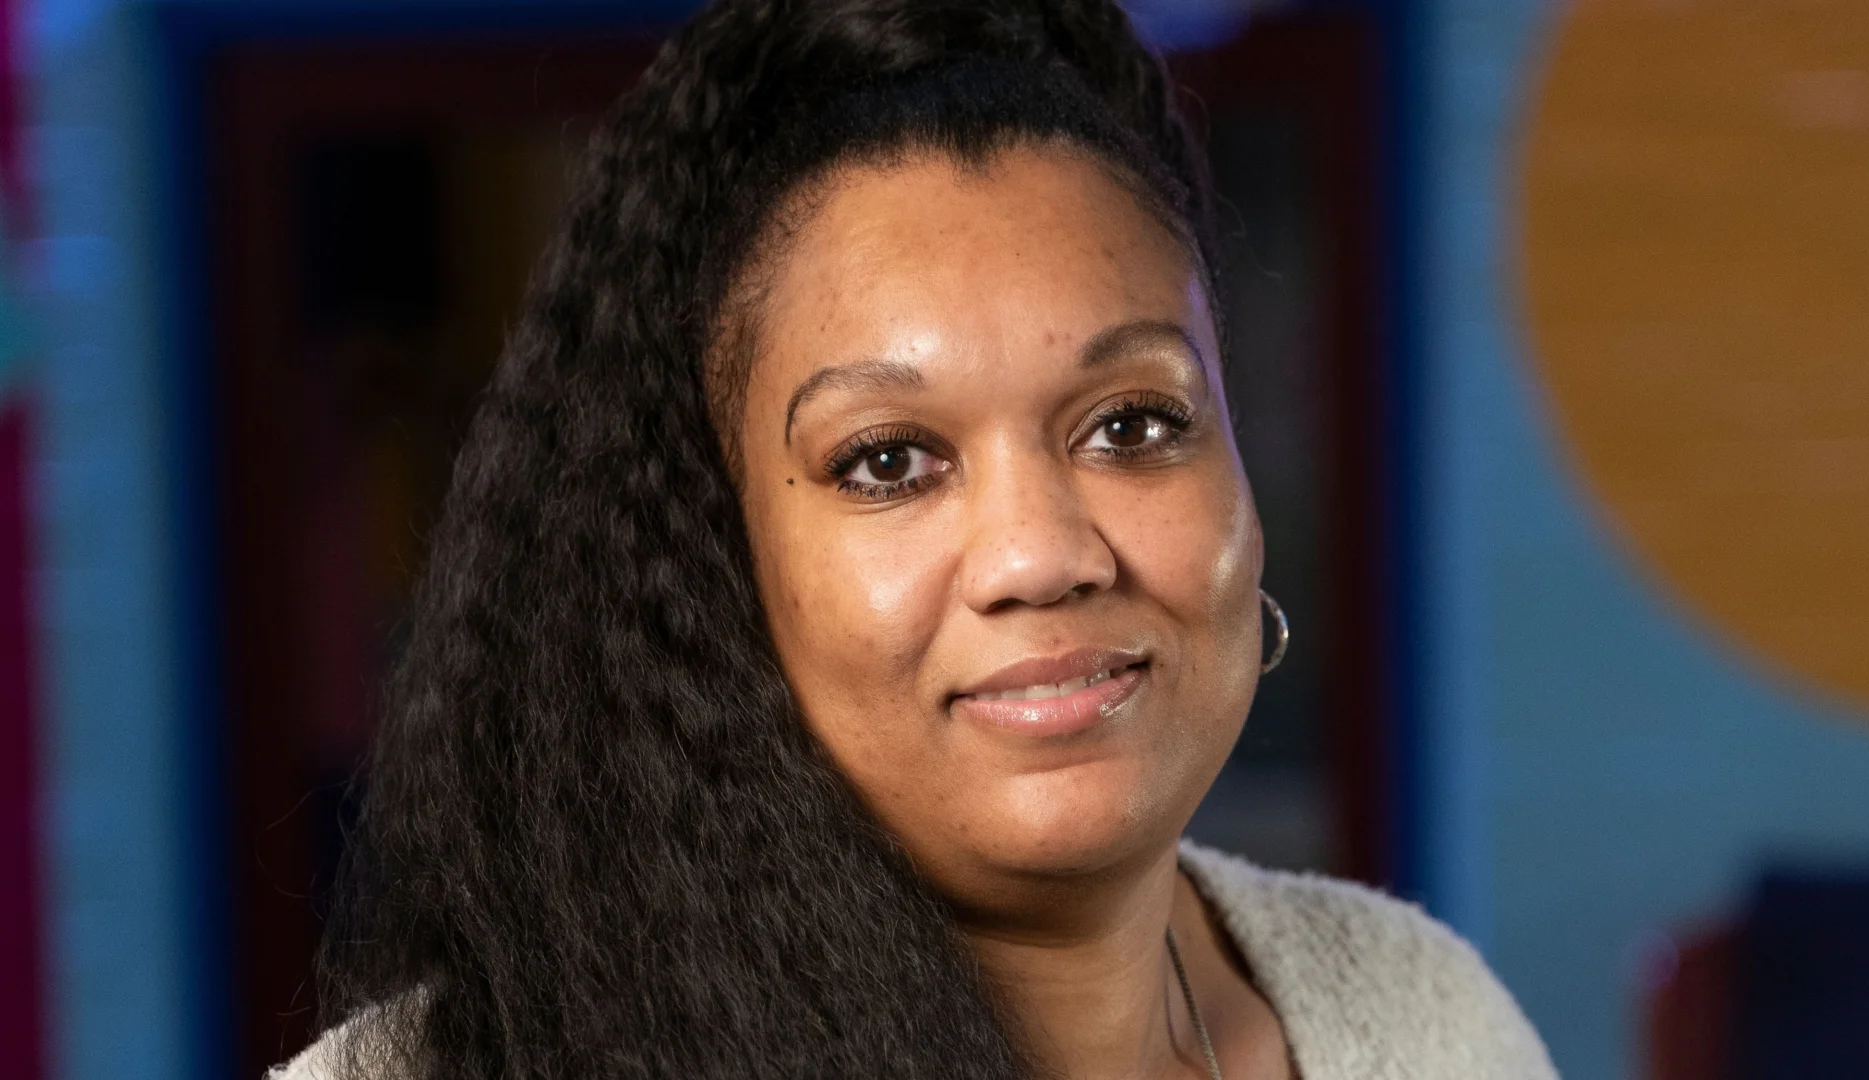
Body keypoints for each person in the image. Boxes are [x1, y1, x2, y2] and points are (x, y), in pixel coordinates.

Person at [276, 1, 1559, 1077]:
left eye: (1132, 424)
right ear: (726, 574)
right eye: (889, 460)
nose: (1041, 555)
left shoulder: (1421, 1023)